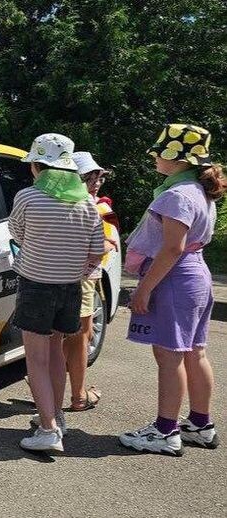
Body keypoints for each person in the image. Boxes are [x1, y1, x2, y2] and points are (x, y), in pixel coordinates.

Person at [119, 124, 225, 456]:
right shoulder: (198, 191)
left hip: (175, 277)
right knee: (195, 351)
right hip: (196, 275)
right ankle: (200, 423)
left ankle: (165, 430)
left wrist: (144, 290)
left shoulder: (176, 195)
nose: (153, 157)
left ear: (177, 158)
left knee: (169, 355)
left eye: (159, 152)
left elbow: (171, 249)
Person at [9, 133, 105, 453]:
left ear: (38, 167)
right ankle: (58, 418)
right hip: (70, 289)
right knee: (55, 356)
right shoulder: (88, 204)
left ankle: (48, 429)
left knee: (35, 360)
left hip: (36, 285)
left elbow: (18, 233)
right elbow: (97, 251)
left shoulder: (27, 198)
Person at [56, 151, 119, 412]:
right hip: (76, 277)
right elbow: (102, 244)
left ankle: (67, 392)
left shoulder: (98, 205)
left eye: (99, 177)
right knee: (77, 336)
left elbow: (109, 242)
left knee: (79, 335)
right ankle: (76, 396)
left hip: (83, 277)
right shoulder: (80, 204)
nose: (96, 181)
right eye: (89, 176)